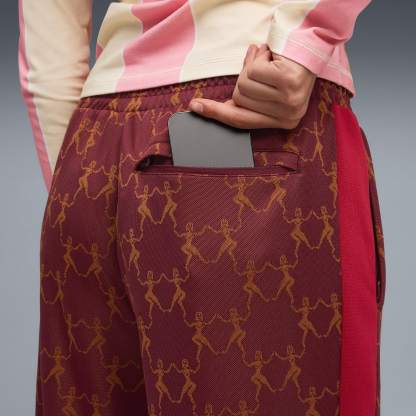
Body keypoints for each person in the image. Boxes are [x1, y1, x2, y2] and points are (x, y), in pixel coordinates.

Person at [18, 1, 386, 415]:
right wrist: (304, 41)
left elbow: (48, 33)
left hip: (91, 149)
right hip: (254, 107)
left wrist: (75, 173)